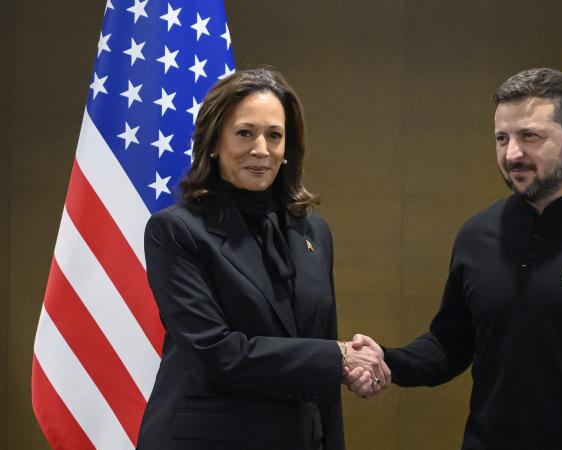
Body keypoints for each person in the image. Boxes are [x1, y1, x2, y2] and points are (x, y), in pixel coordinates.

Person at [347, 68, 562, 449]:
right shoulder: (476, 236)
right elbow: (448, 346)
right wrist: (385, 360)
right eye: (502, 138)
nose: (512, 154)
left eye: (530, 137)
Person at [136, 66, 389, 450]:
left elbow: (319, 350)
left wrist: (344, 368)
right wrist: (335, 358)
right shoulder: (175, 231)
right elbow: (216, 356)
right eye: (244, 133)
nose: (261, 149)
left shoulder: (312, 232)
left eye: (274, 135)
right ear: (213, 141)